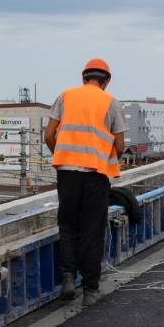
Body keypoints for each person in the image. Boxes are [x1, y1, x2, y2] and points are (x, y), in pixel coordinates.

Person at [44, 57, 125, 307]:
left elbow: (49, 134)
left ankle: (68, 278)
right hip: (96, 174)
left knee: (68, 225)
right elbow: (119, 145)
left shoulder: (65, 96)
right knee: (92, 230)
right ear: (107, 81)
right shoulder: (110, 102)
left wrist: (62, 154)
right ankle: (90, 290)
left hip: (67, 172)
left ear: (83, 77)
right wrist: (104, 157)